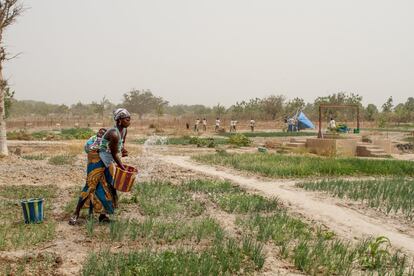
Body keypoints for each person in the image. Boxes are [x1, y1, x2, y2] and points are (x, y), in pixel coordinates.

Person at [69, 108, 131, 225]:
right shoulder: (113, 133)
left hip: (107, 158)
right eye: (126, 119)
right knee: (91, 185)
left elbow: (120, 145)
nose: (129, 121)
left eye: (129, 119)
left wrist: (123, 150)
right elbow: (113, 153)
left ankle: (103, 216)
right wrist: (123, 168)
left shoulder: (124, 131)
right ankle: (76, 213)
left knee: (110, 185)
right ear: (119, 121)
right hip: (97, 157)